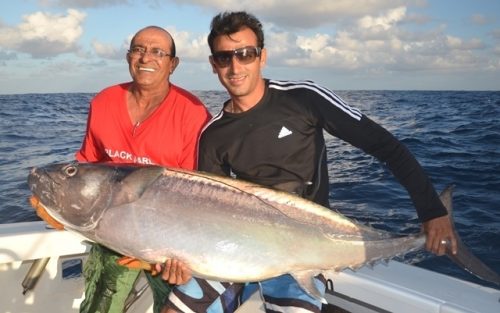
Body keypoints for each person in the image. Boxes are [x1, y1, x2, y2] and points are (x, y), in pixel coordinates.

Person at [162, 11, 459, 313]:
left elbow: (385, 146)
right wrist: (183, 258)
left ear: (261, 57)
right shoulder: (213, 134)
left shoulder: (303, 98)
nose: (235, 66)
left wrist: (432, 210)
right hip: (233, 250)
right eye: (225, 57)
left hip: (305, 249)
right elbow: (210, 214)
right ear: (214, 65)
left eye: (245, 54)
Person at [75, 25, 211, 313]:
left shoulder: (193, 112)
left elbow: (196, 193)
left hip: (168, 242)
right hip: (113, 236)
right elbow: (87, 168)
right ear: (128, 57)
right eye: (139, 49)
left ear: (173, 64)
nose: (146, 58)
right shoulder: (103, 102)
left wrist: (164, 257)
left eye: (158, 52)